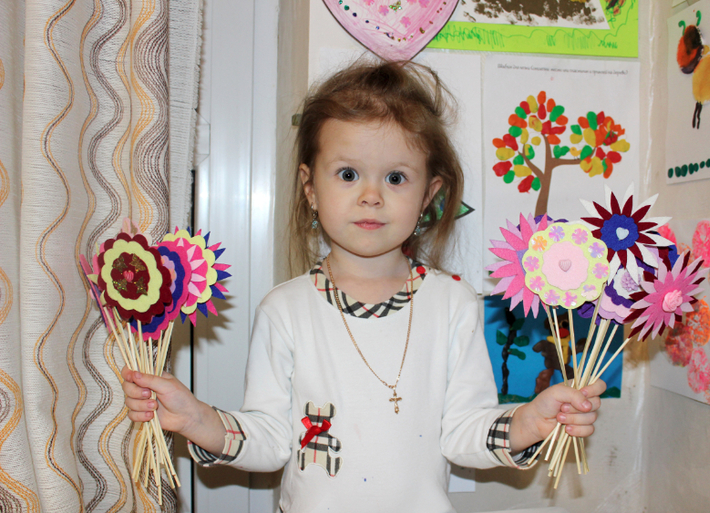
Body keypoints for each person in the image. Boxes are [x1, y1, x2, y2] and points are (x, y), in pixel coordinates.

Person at [122, 60, 605, 512]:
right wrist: (196, 419)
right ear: (310, 188)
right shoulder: (284, 310)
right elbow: (270, 441)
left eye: (396, 177)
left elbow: (463, 434)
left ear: (428, 195)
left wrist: (529, 421)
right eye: (348, 174)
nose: (371, 195)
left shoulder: (452, 303)